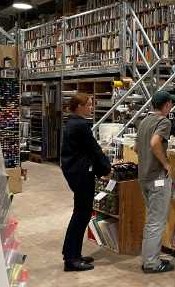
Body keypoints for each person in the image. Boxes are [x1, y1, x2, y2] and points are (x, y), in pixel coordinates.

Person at [61, 94, 111, 272]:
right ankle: (71, 259)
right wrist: (106, 168)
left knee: (80, 214)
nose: (91, 107)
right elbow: (94, 150)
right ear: (79, 106)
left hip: (76, 173)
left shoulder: (72, 122)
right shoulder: (81, 125)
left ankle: (73, 253)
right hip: (82, 175)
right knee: (81, 215)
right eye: (89, 105)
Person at [135, 90, 175, 273]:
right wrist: (165, 163)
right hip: (156, 178)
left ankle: (149, 258)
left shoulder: (143, 121)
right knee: (156, 221)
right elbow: (154, 143)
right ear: (166, 105)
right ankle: (152, 263)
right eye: (171, 104)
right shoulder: (164, 122)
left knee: (151, 219)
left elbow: (137, 147)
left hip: (143, 177)